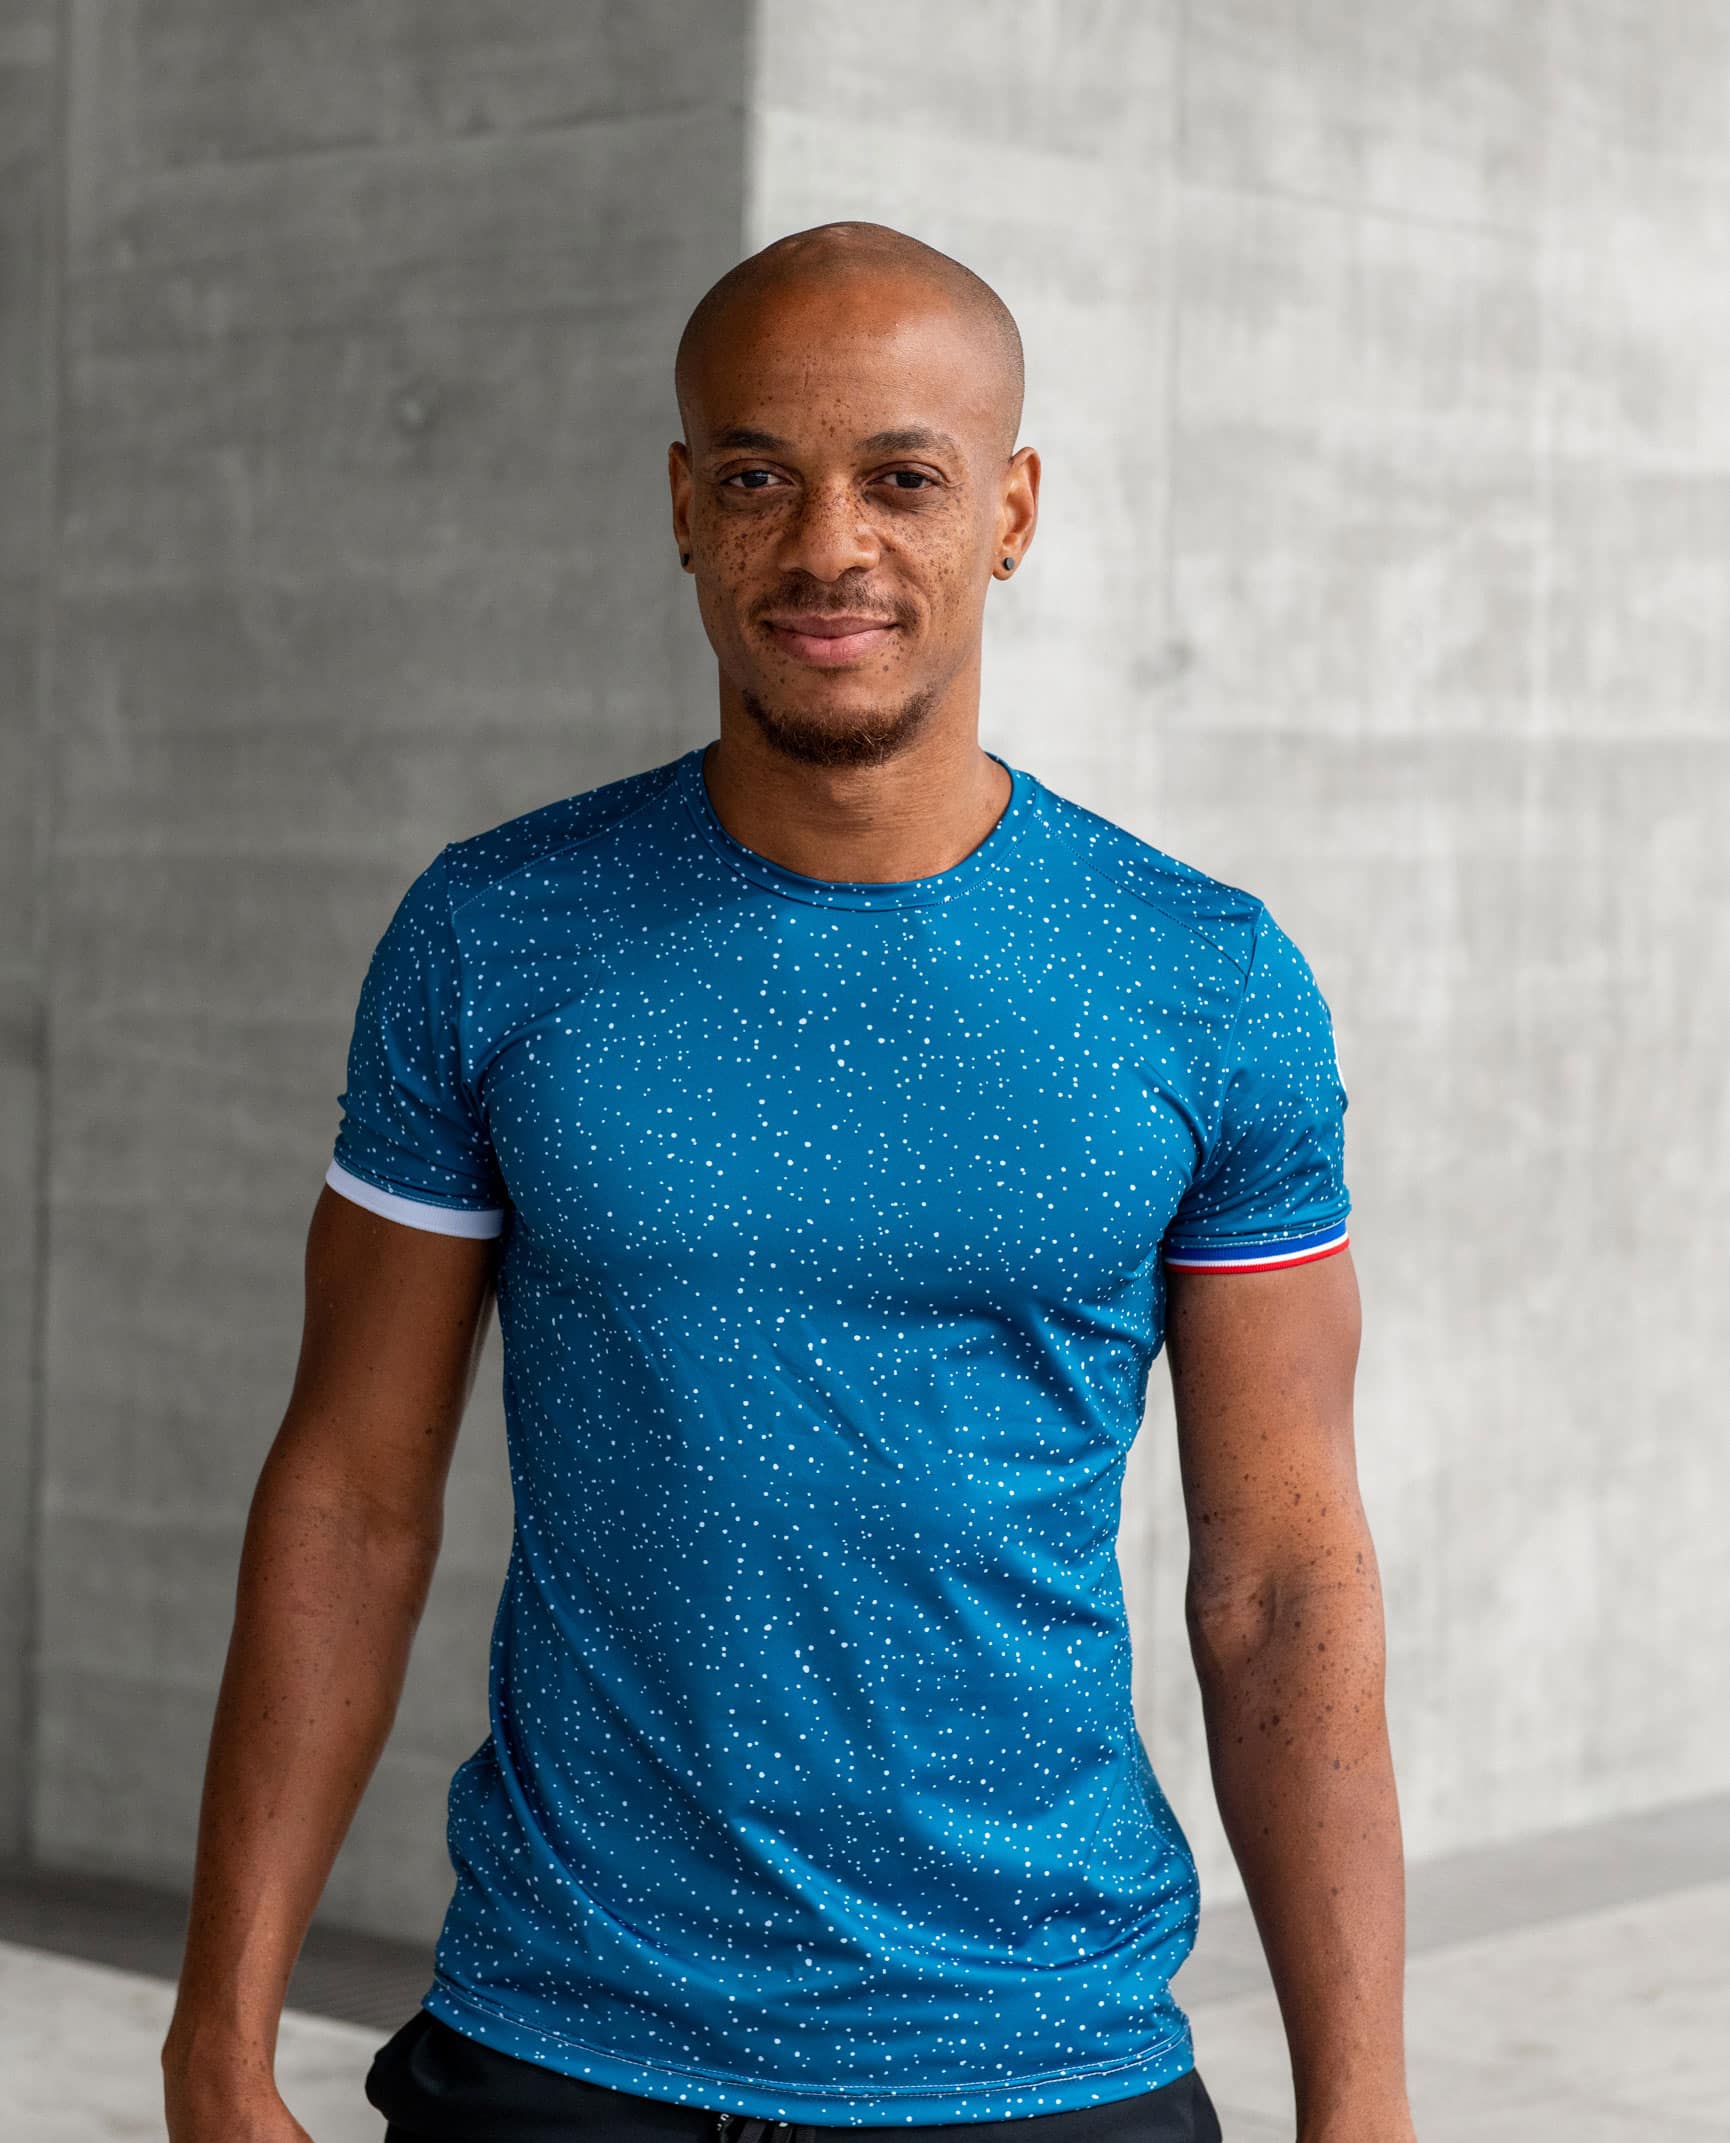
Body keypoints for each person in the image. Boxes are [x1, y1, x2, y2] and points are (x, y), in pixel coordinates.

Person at [161, 221, 1414, 2143]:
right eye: (758, 477)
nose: (829, 545)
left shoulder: (1204, 981)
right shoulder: (495, 934)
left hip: (1037, 2057)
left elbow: (1279, 1582)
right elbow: (350, 1498)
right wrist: (216, 2042)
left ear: (1008, 512)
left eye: (902, 479)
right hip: (562, 2049)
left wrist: (1363, 2105)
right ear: (684, 507)